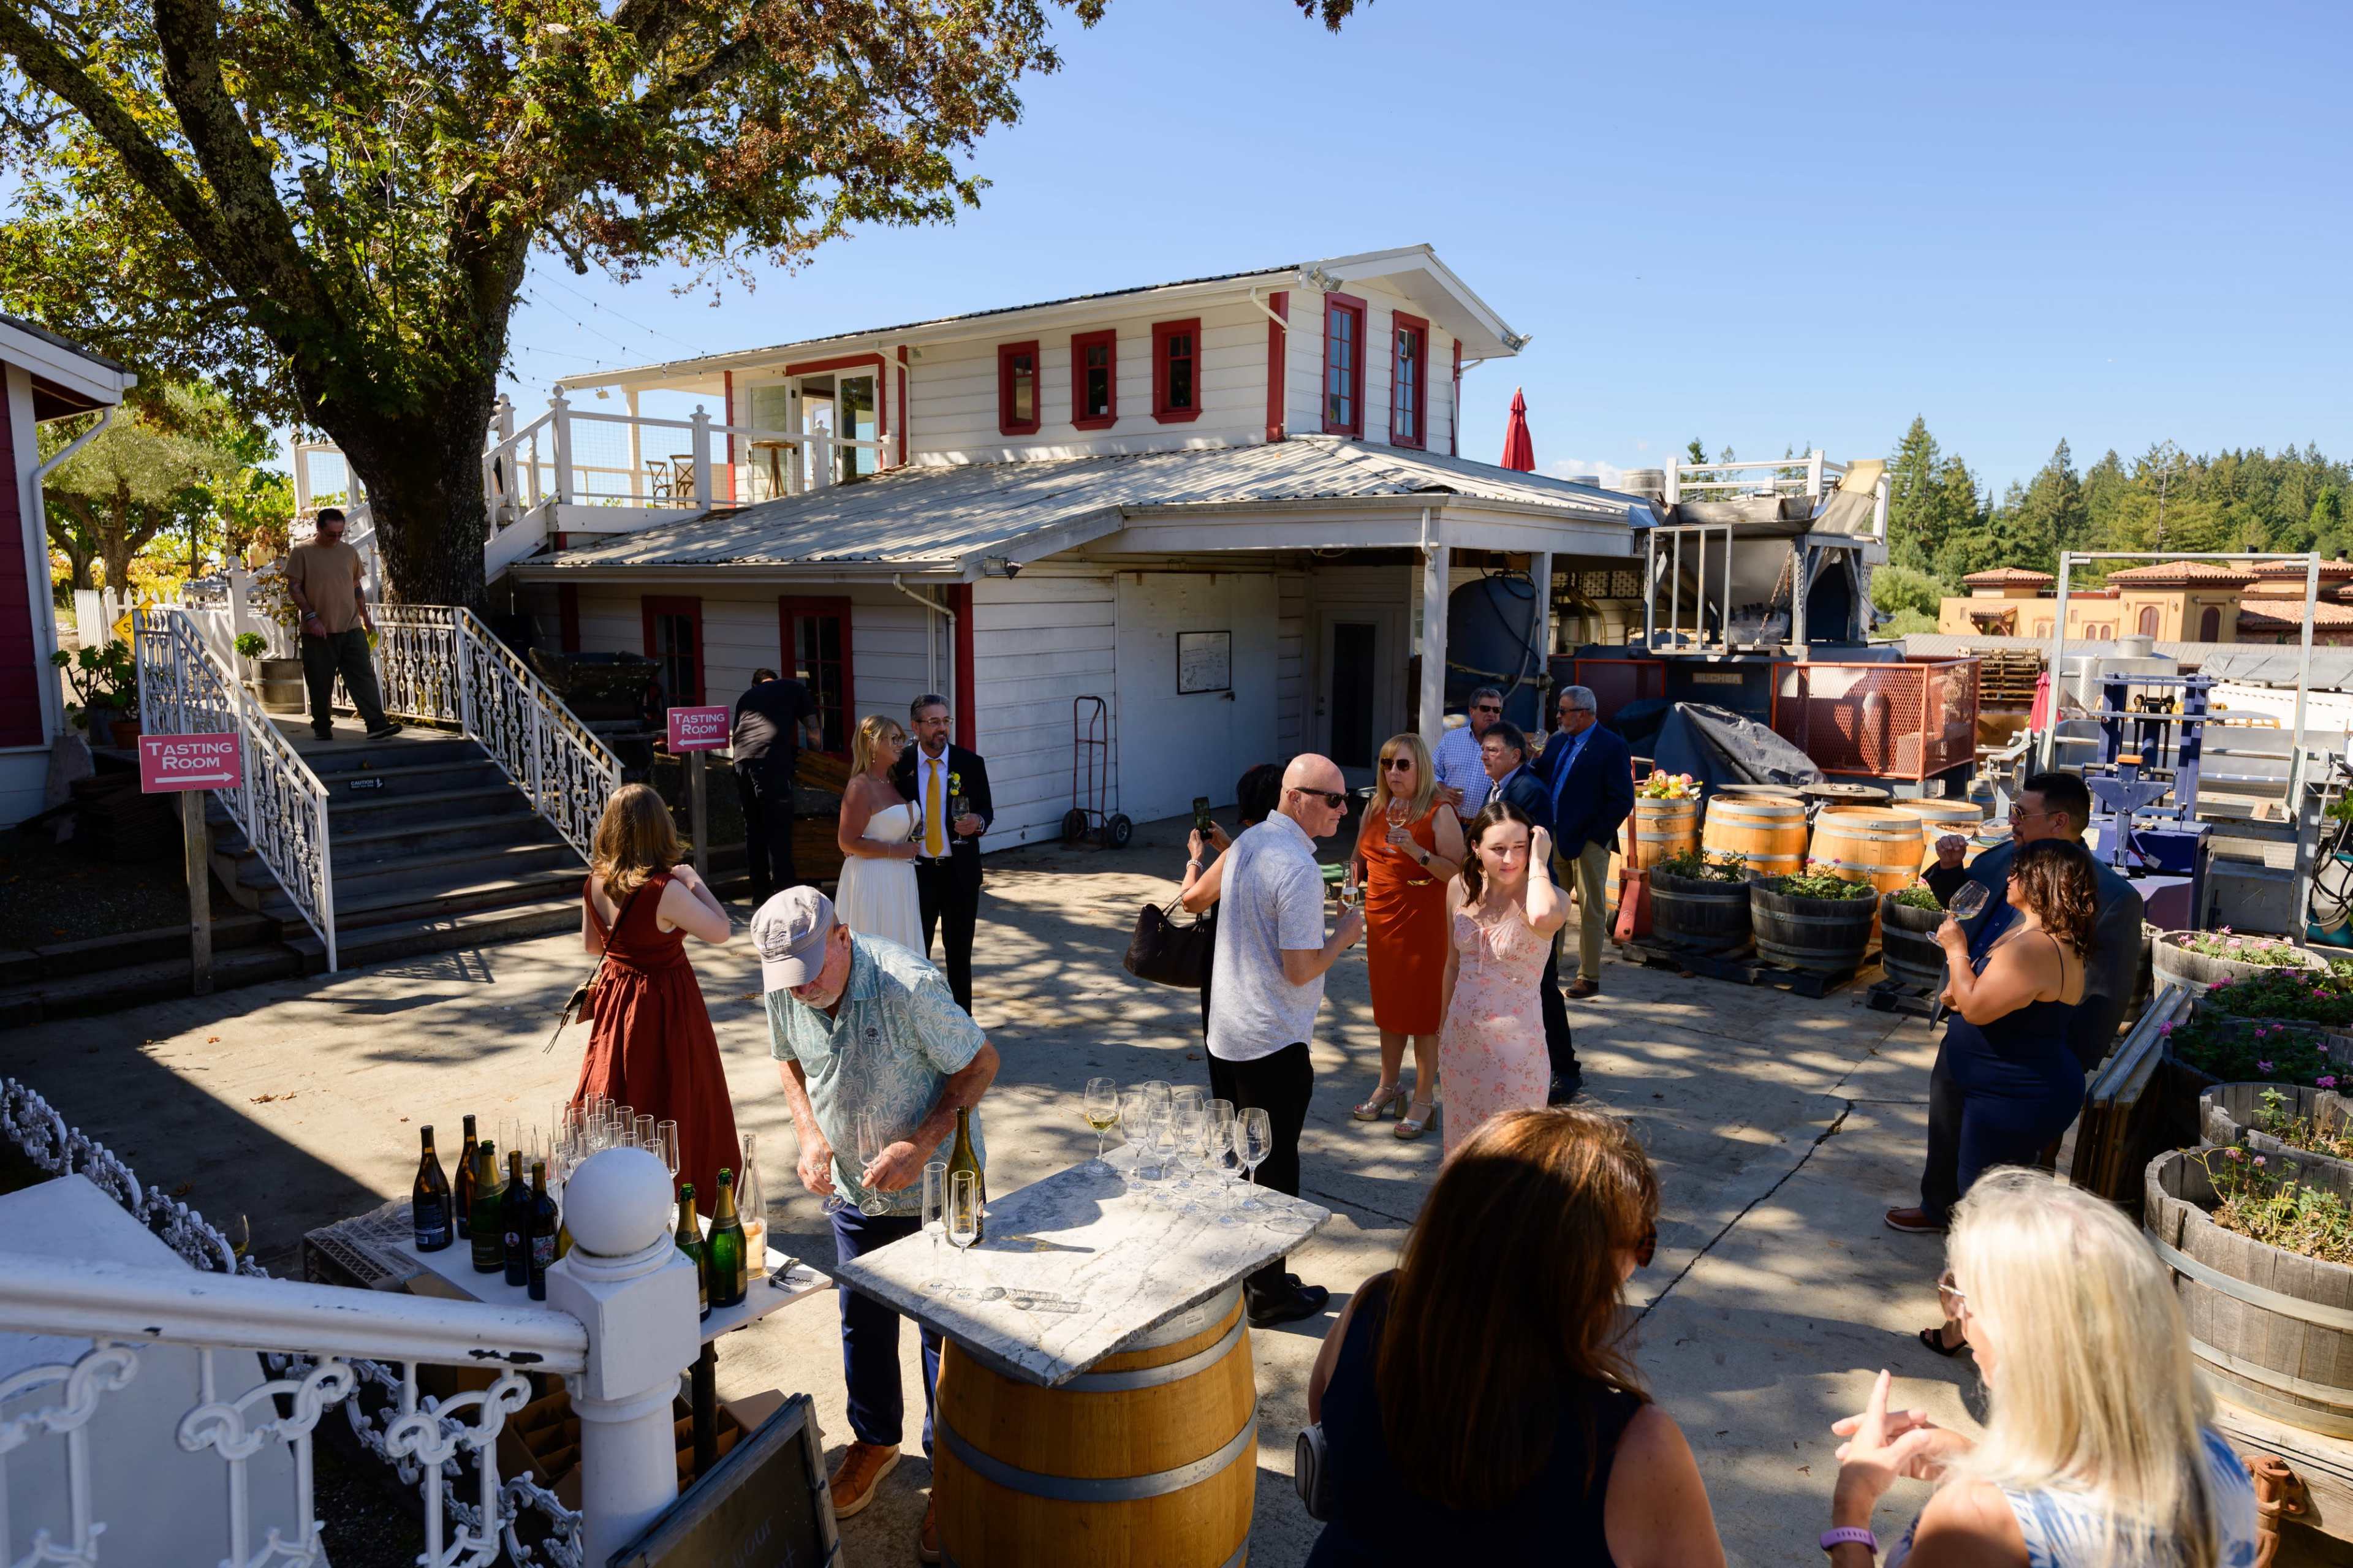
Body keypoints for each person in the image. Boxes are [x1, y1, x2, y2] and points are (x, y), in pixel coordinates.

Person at [1305, 1107, 1725, 1567]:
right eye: (1642, 1241)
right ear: (1582, 1266)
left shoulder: (1369, 1309)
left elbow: (1326, 1419)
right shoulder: (1637, 1446)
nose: (1641, 1261)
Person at [1827, 1170, 2257, 1568]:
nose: (1958, 1319)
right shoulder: (2214, 1459)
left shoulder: (1974, 1521)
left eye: (1961, 1296)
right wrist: (1973, 1462)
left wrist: (1852, 1509)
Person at [757, 885, 998, 1561]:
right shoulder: (787, 984)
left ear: (842, 937)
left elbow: (982, 1063)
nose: (801, 990)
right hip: (853, 1189)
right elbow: (788, 1056)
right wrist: (809, 1135)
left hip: (935, 1189)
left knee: (943, 1337)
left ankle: (951, 1471)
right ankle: (875, 1441)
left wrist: (920, 1145)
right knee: (861, 1320)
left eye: (811, 971)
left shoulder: (907, 986)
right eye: (789, 979)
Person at [1887, 772, 2145, 1235]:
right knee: (1948, 1129)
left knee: (2008, 1177)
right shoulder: (2004, 859)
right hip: (1972, 1034)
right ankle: (1938, 1207)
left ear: (2060, 820)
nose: (2012, 821)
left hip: (2023, 1063)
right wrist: (1950, 871)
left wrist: (2067, 1059)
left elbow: (2107, 991)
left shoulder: (2114, 896)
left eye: (2022, 813)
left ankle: (2003, 1252)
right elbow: (1967, 907)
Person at [1911, 838, 2096, 1354]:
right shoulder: (2043, 938)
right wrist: (1961, 984)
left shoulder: (2032, 947)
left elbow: (1975, 1006)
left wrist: (1955, 949)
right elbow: (1983, 995)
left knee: (1981, 1215)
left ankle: (1978, 1330)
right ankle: (1977, 1322)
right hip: (2014, 1090)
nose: (2009, 877)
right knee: (1995, 1210)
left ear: (2041, 882)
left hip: (2011, 1098)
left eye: (2020, 871)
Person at [1207, 752, 1363, 1328]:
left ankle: (1252, 1273)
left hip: (1229, 1031)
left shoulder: (1249, 842)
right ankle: (1268, 1292)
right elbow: (1301, 969)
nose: (1343, 810)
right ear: (1295, 797)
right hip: (1272, 1039)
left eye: (1347, 799)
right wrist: (1345, 934)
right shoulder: (1297, 866)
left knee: (1241, 1162)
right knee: (1274, 1169)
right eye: (1333, 799)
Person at [570, 783, 739, 1200]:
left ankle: (616, 1195)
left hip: (616, 999)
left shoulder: (594, 882)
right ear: (660, 828)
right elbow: (721, 930)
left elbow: (592, 946)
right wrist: (694, 880)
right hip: (665, 1002)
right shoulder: (666, 889)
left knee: (619, 1090)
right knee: (675, 1093)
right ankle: (684, 1196)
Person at [1438, 800, 1568, 1157]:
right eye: (1498, 849)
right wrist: (1443, 1029)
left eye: (1520, 847)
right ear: (1476, 848)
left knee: (1513, 1158)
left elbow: (1542, 918)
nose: (1510, 859)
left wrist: (1540, 862)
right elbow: (1452, 965)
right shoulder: (1458, 888)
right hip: (1461, 1045)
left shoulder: (1549, 898)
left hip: (1516, 1054)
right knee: (1464, 1153)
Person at [1352, 733, 1466, 1137]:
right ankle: (1388, 1085)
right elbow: (1358, 856)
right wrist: (1349, 891)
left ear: (1421, 767)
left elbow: (1458, 872)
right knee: (1389, 1008)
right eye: (1387, 764)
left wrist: (1417, 851)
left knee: (1423, 1013)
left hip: (1423, 921)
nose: (1393, 772)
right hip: (1381, 920)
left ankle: (1423, 1098)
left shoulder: (1439, 812)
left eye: (1402, 764)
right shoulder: (1375, 806)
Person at [1483, 721, 1583, 1100]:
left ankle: (1566, 1070)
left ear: (1515, 755)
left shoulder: (1529, 791)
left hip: (1532, 902)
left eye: (1493, 751)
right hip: (1506, 898)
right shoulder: (1501, 788)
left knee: (1542, 986)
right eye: (1483, 750)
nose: (1485, 756)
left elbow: (1526, 853)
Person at [891, 694, 993, 1014]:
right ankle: (917, 1023)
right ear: (916, 726)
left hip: (960, 874)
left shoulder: (970, 763)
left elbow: (987, 811)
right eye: (934, 722)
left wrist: (978, 822)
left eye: (945, 721)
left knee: (959, 956)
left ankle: (963, 1027)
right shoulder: (900, 765)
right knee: (915, 954)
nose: (942, 728)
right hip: (916, 873)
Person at [1537, 684, 1634, 1003]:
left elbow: (1622, 799)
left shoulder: (1611, 746)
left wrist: (1595, 836)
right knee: (1551, 906)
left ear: (1583, 713)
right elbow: (1542, 777)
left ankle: (1588, 977)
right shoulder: (1557, 741)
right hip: (1554, 837)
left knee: (1591, 908)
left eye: (1563, 710)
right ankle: (1547, 969)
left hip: (1588, 842)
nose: (1558, 716)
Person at [1177, 761, 1287, 1040]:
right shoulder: (1288, 850)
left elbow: (1191, 902)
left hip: (1231, 977)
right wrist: (1229, 846)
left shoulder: (1237, 854)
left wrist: (1196, 858)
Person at [283, 507, 398, 743]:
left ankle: (377, 724)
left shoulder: (349, 552)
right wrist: (311, 617)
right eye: (331, 534)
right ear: (319, 528)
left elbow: (356, 586)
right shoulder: (302, 553)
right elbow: (294, 588)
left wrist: (366, 618)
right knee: (320, 681)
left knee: (363, 675)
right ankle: (322, 726)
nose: (336, 538)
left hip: (351, 627)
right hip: (318, 631)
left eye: (340, 534)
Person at [833, 714, 925, 952]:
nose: (900, 744)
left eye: (901, 738)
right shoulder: (860, 786)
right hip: (872, 879)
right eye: (894, 739)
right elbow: (846, 842)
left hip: (900, 878)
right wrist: (896, 851)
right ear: (873, 743)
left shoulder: (893, 781)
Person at [730, 667, 822, 906]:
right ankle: (785, 892)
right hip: (769, 759)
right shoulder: (794, 688)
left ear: (755, 684)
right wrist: (817, 763)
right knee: (778, 827)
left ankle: (760, 893)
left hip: (741, 762)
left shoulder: (746, 697)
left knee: (754, 828)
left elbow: (737, 734)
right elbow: (813, 729)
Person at [1431, 686, 1506, 818]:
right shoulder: (1451, 739)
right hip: (1449, 821)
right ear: (1472, 712)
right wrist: (1442, 788)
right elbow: (1431, 771)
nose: (1491, 714)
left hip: (1485, 825)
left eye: (1496, 710)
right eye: (1485, 708)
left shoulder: (1507, 745)